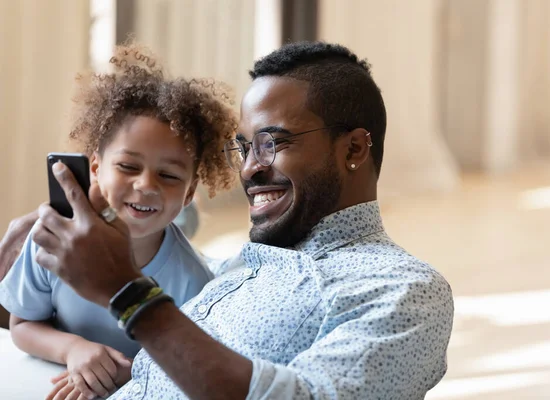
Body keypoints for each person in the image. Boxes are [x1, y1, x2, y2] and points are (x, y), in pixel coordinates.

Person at [1, 42, 454, 400]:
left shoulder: (402, 291)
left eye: (272, 143)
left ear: (354, 149)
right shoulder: (242, 266)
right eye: (244, 147)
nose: (250, 169)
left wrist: (127, 293)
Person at [0, 43, 236, 400]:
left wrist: (131, 371)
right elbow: (21, 326)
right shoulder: (52, 238)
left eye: (169, 176)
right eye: (128, 167)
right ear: (95, 169)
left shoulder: (193, 281)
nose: (145, 185)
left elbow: (186, 363)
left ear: (189, 194)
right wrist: (73, 349)